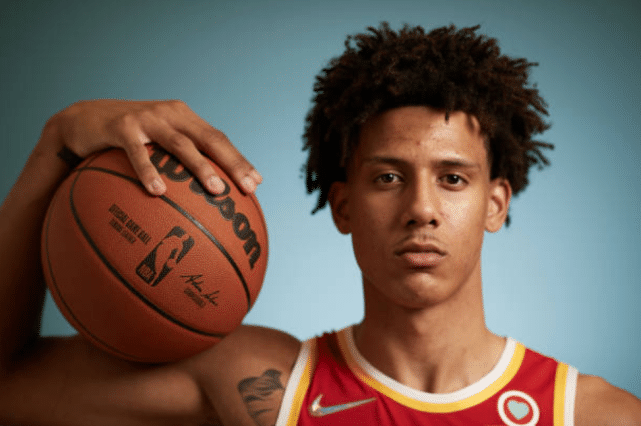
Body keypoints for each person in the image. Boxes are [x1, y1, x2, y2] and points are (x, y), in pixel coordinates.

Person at [0, 23, 639, 426]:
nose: (421, 208)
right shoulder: (259, 381)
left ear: (495, 205)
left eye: (452, 178)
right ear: (343, 208)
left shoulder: (591, 414)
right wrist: (56, 142)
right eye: (387, 178)